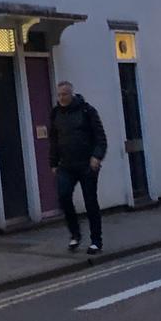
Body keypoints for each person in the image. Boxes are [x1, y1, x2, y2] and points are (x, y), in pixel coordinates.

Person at [49, 80, 107, 254]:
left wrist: (96, 156)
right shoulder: (55, 114)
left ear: (71, 94)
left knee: (90, 201)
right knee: (63, 196)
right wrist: (53, 163)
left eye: (64, 94)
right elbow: (54, 141)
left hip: (87, 164)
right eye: (59, 95)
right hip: (66, 165)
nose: (61, 98)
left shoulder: (87, 111)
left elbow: (100, 137)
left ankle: (96, 241)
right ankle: (75, 234)